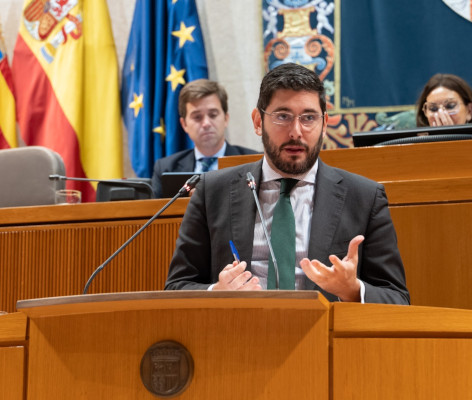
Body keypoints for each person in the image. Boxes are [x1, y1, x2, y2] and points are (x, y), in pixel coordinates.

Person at [164, 63, 409, 304]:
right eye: (283, 116)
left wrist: (353, 290)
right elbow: (176, 286)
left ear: (324, 125)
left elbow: (397, 298)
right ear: (258, 121)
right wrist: (217, 292)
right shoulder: (212, 191)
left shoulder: (364, 197)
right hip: (239, 335)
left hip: (324, 339)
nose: (296, 131)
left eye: (309, 118)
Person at [151, 79, 258, 197]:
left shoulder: (254, 163)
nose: (206, 123)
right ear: (184, 124)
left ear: (226, 118)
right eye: (197, 117)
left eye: (213, 115)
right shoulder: (166, 168)